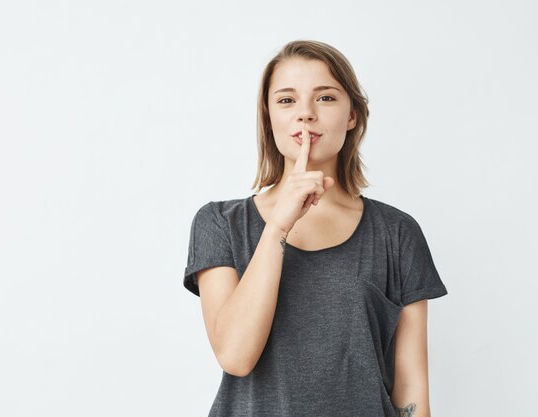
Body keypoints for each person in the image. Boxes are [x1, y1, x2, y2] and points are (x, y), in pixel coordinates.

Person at [183, 39, 448, 417]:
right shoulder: (219, 223)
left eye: (325, 98)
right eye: (287, 100)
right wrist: (277, 225)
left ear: (352, 115)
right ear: (268, 115)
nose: (305, 114)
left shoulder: (396, 233)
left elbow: (410, 388)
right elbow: (235, 356)